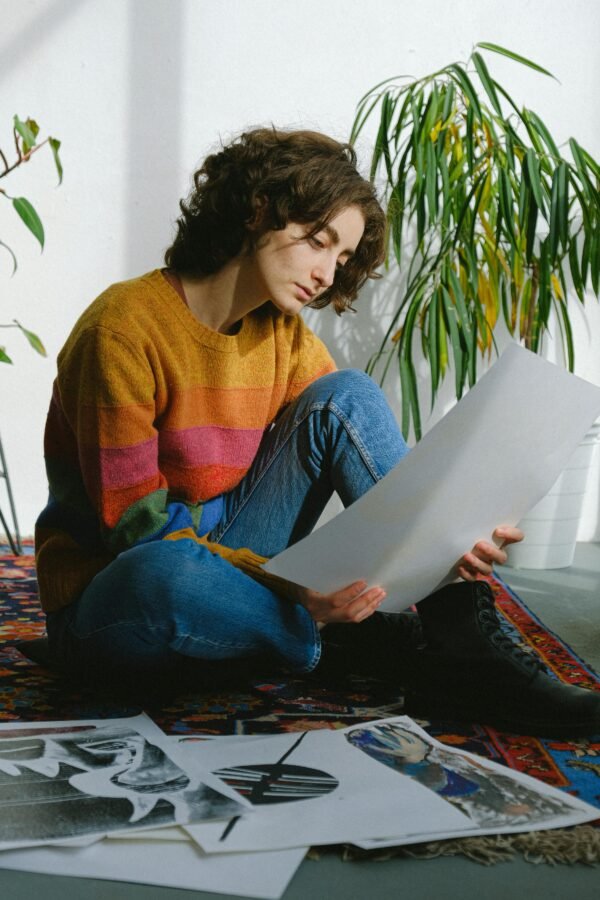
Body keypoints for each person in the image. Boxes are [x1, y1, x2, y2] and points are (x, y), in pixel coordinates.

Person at [35, 127, 600, 737]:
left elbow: (359, 440)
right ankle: (330, 638)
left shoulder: (280, 333)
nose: (328, 273)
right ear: (258, 210)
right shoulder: (122, 329)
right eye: (319, 241)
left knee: (348, 395)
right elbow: (135, 533)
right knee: (162, 572)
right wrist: (292, 591)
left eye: (342, 258)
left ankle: (465, 647)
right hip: (119, 601)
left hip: (230, 563)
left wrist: (452, 534)